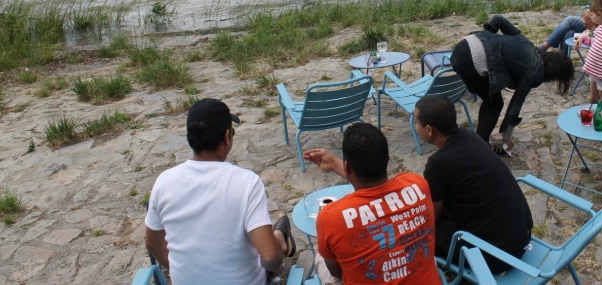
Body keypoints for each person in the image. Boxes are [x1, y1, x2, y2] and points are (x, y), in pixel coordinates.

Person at [145, 99, 296, 285]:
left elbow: (152, 242)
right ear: (227, 136)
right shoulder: (246, 182)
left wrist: (179, 268)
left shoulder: (164, 182)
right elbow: (271, 258)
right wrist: (275, 267)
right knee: (268, 251)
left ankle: (279, 236)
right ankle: (279, 237)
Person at [303, 123, 441, 285]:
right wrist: (335, 164)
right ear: (388, 160)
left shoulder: (330, 217)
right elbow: (379, 188)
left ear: (347, 166)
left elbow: (337, 272)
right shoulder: (417, 185)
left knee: (322, 255)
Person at [413, 95, 532, 272]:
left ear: (429, 130)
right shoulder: (469, 135)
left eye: (416, 123)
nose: (415, 127)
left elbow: (433, 215)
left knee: (416, 230)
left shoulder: (438, 163)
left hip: (497, 255)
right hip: (522, 236)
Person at [450, 15, 573, 153]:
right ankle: (481, 149)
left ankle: (480, 140)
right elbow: (516, 105)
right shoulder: (533, 72)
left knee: (491, 100)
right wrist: (506, 136)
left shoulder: (528, 45)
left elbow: (498, 19)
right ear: (554, 74)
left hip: (464, 44)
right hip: (471, 60)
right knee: (495, 104)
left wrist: (489, 40)